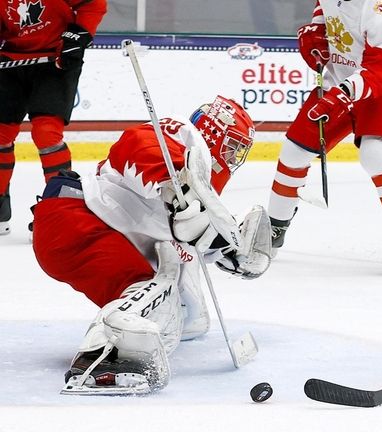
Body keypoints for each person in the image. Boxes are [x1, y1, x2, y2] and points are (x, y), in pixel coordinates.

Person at [31, 96, 272, 395]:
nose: (234, 158)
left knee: (175, 309)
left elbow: (191, 242)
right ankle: (100, 357)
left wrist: (233, 250)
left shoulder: (195, 193)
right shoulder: (183, 136)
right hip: (75, 218)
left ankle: (125, 338)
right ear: (213, 131)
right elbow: (137, 144)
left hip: (89, 232)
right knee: (159, 286)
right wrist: (172, 186)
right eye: (232, 147)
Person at [268, 0, 382, 275]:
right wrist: (317, 30)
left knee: (375, 154)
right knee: (294, 151)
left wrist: (341, 95)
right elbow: (324, 8)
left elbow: (381, 69)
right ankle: (273, 228)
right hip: (340, 78)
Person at [0, 0, 108, 236]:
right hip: (9, 59)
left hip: (56, 57)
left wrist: (79, 35)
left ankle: (60, 207)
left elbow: (93, 3)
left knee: (47, 132)